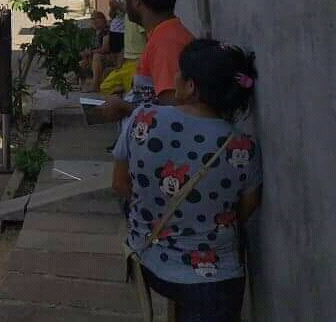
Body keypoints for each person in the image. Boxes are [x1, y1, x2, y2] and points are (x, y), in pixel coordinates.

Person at [112, 40, 262, 322]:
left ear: (191, 86)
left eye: (178, 72)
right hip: (215, 280)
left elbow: (120, 184)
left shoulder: (143, 119)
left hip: (151, 262)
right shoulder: (243, 147)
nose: (175, 78)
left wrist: (156, 212)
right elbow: (246, 208)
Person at [104, 0, 194, 118]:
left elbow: (174, 114)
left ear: (136, 0)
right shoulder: (161, 35)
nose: (124, 1)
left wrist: (126, 108)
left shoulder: (166, 43)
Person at [100, 0, 148, 96]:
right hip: (127, 60)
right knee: (106, 86)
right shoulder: (128, 14)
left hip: (137, 61)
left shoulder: (137, 15)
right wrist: (122, 56)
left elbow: (149, 38)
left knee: (132, 93)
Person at [80, 11, 112, 87]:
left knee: (96, 56)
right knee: (83, 60)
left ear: (103, 20)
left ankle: (95, 84)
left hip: (109, 57)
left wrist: (90, 52)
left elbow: (105, 49)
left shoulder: (106, 31)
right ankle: (83, 81)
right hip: (94, 57)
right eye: (92, 19)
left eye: (97, 18)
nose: (94, 21)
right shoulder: (93, 33)